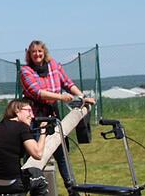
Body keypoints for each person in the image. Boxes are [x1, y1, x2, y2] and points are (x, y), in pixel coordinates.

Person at [20, 40, 95, 187]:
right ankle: (31, 186)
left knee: (62, 155)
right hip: (34, 118)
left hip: (52, 115)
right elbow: (37, 92)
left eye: (40, 51)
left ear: (44, 52)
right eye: (33, 52)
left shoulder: (54, 66)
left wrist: (82, 97)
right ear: (29, 54)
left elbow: (67, 83)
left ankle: (71, 187)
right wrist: (61, 97)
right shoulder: (25, 71)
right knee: (34, 156)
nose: (37, 54)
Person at [0, 99, 49, 196]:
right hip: (11, 183)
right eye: (29, 111)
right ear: (17, 110)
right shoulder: (22, 127)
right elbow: (38, 154)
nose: (32, 116)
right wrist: (43, 130)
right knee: (39, 176)